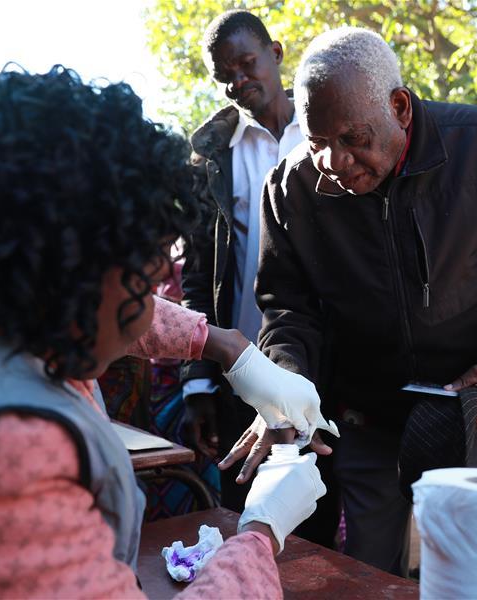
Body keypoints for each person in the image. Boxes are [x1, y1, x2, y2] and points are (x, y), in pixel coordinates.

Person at [0, 67, 324, 598]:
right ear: (78, 277)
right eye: (147, 282)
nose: (149, 307)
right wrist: (260, 532)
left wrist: (225, 346)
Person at [225, 27, 477, 575]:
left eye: (353, 137)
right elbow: (288, 309)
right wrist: (283, 389)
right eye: (318, 143)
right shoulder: (287, 190)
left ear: (400, 107)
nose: (336, 161)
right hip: (366, 420)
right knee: (369, 574)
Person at [180, 9, 339, 539]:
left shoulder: (330, 131)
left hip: (325, 367)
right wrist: (199, 378)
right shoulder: (213, 161)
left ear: (276, 53)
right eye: (224, 75)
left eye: (247, 63)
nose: (237, 81)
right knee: (244, 513)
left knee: (316, 517)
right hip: (240, 371)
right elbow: (199, 274)